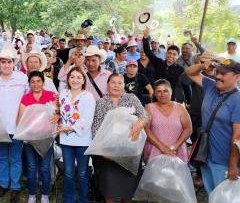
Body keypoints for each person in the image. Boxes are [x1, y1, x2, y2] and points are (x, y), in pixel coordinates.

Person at [91, 74, 148, 203]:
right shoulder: (101, 102)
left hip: (129, 150)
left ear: (124, 85)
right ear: (107, 84)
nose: (116, 85)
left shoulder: (131, 98)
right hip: (108, 152)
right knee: (110, 188)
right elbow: (96, 128)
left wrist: (140, 123)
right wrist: (103, 151)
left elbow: (144, 116)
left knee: (127, 189)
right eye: (113, 82)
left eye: (120, 83)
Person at [186, 58, 240, 194]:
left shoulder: (237, 100)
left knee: (222, 196)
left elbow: (237, 136)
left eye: (224, 74)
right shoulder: (210, 86)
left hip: (223, 160)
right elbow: (190, 72)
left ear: (237, 77)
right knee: (211, 193)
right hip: (205, 154)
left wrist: (233, 165)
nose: (218, 76)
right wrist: (203, 66)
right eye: (218, 72)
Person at [0, 48, 28, 203]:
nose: (6, 65)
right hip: (0, 127)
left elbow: (28, 100)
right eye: (3, 62)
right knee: (2, 157)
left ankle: (15, 187)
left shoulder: (22, 79)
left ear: (13, 63)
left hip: (17, 125)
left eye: (9, 62)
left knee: (16, 158)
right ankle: (4, 185)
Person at [56, 67, 95, 203]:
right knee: (68, 172)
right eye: (72, 77)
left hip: (83, 140)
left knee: (83, 172)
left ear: (84, 80)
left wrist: (68, 127)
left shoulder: (88, 96)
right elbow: (61, 114)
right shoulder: (63, 93)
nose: (75, 80)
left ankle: (83, 199)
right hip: (66, 140)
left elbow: (87, 119)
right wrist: (56, 117)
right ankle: (68, 199)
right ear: (68, 79)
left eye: (79, 77)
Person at [17, 71, 57, 203]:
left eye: (38, 81)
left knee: (45, 167)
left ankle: (45, 195)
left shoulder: (52, 96)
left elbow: (59, 115)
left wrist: (58, 115)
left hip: (46, 138)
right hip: (30, 139)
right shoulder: (26, 98)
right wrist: (24, 134)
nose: (35, 84)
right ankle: (32, 195)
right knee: (32, 167)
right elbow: (20, 119)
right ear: (29, 83)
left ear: (43, 82)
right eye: (32, 81)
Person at [143, 79, 192, 163]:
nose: (162, 94)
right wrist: (162, 147)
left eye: (165, 91)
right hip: (155, 150)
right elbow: (146, 130)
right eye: (159, 91)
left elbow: (188, 129)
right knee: (155, 175)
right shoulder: (149, 108)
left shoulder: (180, 107)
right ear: (154, 93)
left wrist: (175, 146)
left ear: (171, 91)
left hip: (177, 151)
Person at [143, 28, 190, 103]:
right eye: (169, 53)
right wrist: (145, 38)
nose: (171, 56)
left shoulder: (180, 69)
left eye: (174, 54)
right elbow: (148, 52)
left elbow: (186, 85)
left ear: (178, 56)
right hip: (156, 96)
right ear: (166, 54)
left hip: (170, 98)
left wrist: (189, 101)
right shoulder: (158, 62)